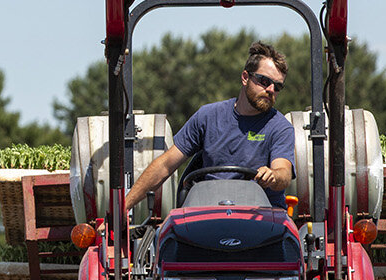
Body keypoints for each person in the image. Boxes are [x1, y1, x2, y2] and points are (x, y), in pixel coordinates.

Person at [124, 41, 295, 212]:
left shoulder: (280, 127)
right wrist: (124, 208)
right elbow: (165, 165)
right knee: (166, 234)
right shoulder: (208, 116)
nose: (271, 90)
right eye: (264, 81)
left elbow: (283, 173)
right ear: (245, 77)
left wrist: (273, 176)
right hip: (209, 214)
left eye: (278, 86)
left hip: (260, 217)